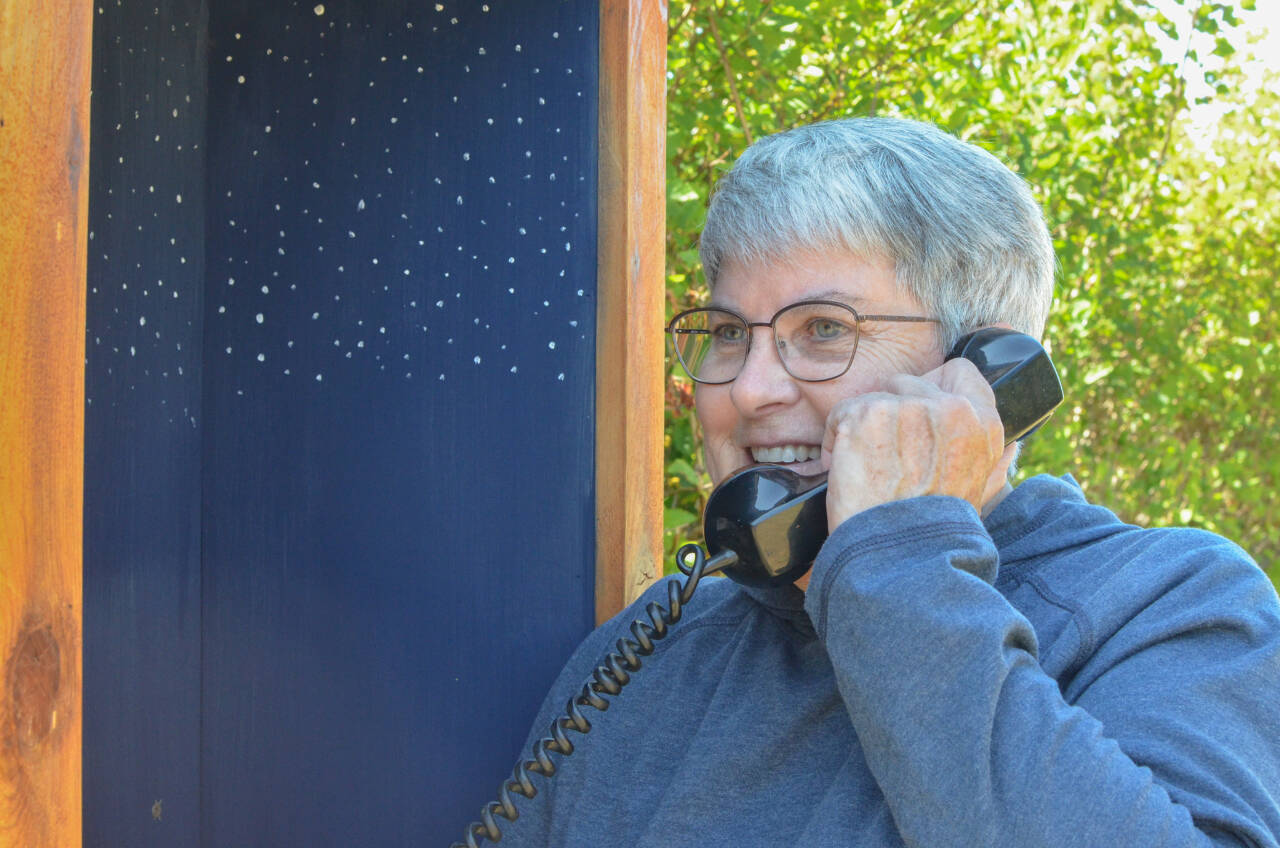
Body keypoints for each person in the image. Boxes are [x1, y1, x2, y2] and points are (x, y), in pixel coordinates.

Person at [489, 118, 1280, 846]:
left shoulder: (1170, 606)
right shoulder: (661, 644)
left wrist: (899, 562)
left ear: (978, 379)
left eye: (824, 329)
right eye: (731, 333)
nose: (751, 388)